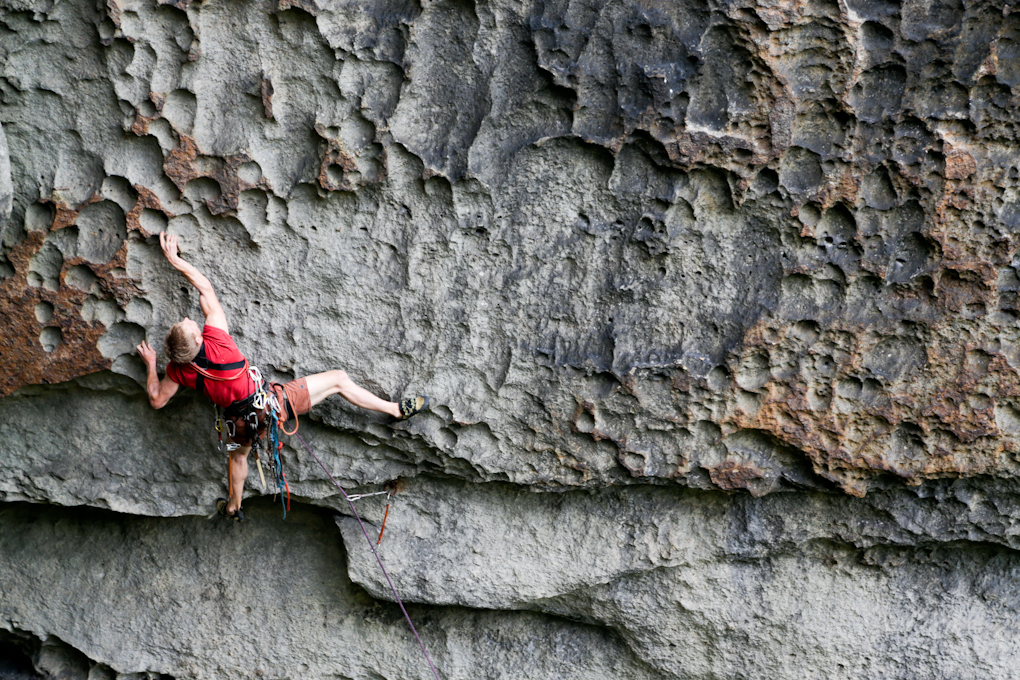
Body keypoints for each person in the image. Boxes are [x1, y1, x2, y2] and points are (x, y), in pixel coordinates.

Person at [136, 232, 429, 521]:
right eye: (188, 325)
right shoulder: (219, 343)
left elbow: (156, 400)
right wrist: (175, 260)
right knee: (338, 379)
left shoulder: (177, 370)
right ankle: (393, 410)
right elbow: (206, 290)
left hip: (239, 422)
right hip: (272, 404)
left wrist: (151, 364)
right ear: (200, 339)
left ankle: (233, 506)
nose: (189, 319)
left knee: (238, 457)